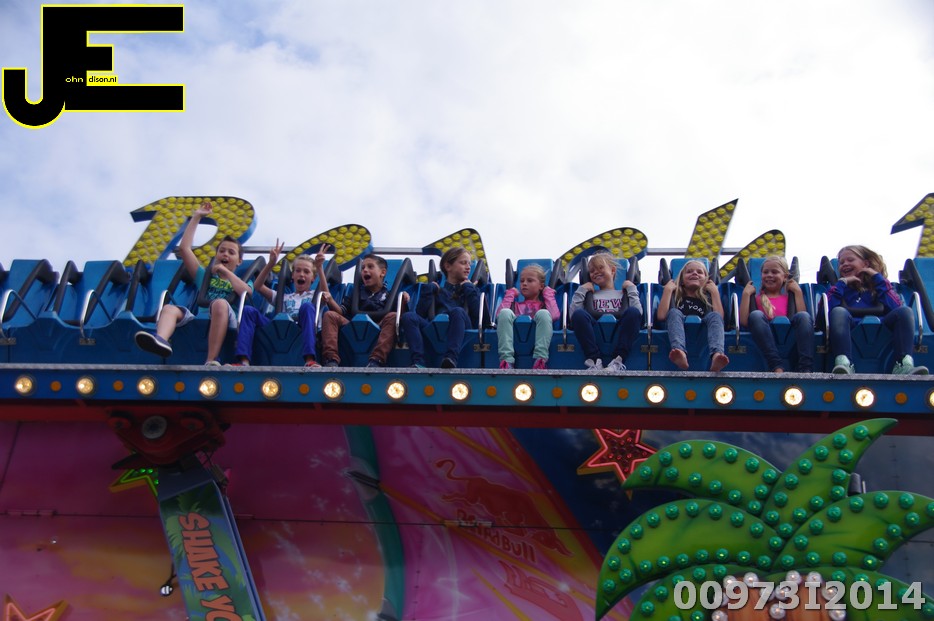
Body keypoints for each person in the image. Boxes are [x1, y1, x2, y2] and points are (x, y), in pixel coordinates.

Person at [134, 200, 253, 365]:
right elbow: (185, 250)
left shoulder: (242, 279)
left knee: (219, 303)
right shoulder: (205, 277)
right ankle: (161, 339)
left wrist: (225, 272)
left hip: (228, 318)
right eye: (222, 251)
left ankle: (211, 359)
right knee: (169, 308)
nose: (225, 254)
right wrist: (196, 217)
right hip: (201, 315)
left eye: (231, 252)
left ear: (239, 261)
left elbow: (247, 292)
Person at [827, 245, 928, 375]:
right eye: (841, 263)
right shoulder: (838, 289)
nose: (845, 264)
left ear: (866, 264)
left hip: (881, 326)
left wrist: (877, 278)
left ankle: (903, 365)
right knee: (838, 312)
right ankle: (844, 363)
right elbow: (825, 315)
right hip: (850, 325)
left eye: (850, 260)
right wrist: (841, 283)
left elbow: (896, 307)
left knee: (905, 311)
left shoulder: (881, 286)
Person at [229, 240, 320, 367]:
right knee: (248, 310)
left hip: (299, 329)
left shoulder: (316, 295)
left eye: (306, 272)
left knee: (307, 307)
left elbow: (326, 293)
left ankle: (309, 360)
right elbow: (258, 286)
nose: (301, 274)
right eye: (298, 271)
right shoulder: (283, 296)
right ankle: (243, 361)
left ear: (313, 278)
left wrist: (320, 268)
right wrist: (271, 263)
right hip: (279, 329)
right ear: (292, 275)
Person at [318, 251, 408, 368]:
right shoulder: (355, 294)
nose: (365, 270)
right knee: (329, 315)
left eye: (370, 267)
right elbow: (340, 311)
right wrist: (330, 299)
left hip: (378, 326)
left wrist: (404, 301)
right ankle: (331, 359)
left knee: (393, 316)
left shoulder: (389, 295)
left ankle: (377, 360)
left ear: (382, 272)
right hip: (353, 326)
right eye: (363, 268)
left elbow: (400, 317)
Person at [401, 246, 480, 368]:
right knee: (409, 317)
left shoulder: (471, 290)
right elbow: (420, 314)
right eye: (463, 263)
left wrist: (469, 288)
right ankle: (418, 362)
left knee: (457, 311)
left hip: (463, 329)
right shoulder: (438, 291)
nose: (468, 267)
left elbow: (479, 316)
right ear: (448, 266)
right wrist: (429, 290)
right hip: (436, 329)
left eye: (469, 264)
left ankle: (451, 357)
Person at [568, 252, 642, 372]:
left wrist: (632, 289)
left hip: (619, 332)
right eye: (592, 271)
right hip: (595, 331)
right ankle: (595, 360)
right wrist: (581, 290)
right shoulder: (589, 295)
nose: (596, 272)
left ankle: (618, 360)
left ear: (612, 270)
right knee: (579, 315)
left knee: (633, 312)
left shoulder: (623, 294)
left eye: (600, 268)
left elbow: (638, 313)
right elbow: (573, 316)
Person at [739, 255, 814, 373]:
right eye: (766, 272)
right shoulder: (757, 299)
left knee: (804, 316)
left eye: (774, 272)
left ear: (785, 277)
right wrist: (746, 295)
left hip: (790, 340)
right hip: (765, 342)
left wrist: (798, 292)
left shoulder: (790, 299)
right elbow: (744, 321)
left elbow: (803, 319)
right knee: (756, 315)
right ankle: (776, 365)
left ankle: (805, 367)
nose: (769, 275)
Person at [656, 259, 729, 372]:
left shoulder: (707, 299)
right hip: (678, 330)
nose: (695, 273)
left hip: (702, 333)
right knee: (674, 312)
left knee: (714, 316)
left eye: (699, 272)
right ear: (682, 279)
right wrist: (667, 291)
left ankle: (717, 355)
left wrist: (714, 292)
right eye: (689, 271)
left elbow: (719, 318)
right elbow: (661, 316)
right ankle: (680, 352)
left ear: (706, 280)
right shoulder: (676, 297)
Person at [495, 263, 560, 370]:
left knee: (544, 314)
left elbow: (554, 315)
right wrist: (510, 294)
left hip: (535, 340)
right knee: (505, 312)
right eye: (522, 281)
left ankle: (540, 360)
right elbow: (499, 315)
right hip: (517, 339)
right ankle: (506, 361)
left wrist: (548, 294)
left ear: (541, 286)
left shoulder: (543, 306)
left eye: (530, 281)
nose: (524, 284)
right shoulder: (515, 306)